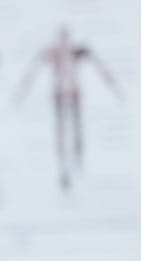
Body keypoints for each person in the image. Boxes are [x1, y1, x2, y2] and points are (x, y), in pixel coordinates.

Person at [14, 26, 122, 191]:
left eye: (66, 37)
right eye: (61, 37)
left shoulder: (76, 51)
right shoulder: (52, 52)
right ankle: (64, 169)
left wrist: (115, 88)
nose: (64, 41)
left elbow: (100, 67)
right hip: (59, 95)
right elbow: (33, 71)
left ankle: (78, 163)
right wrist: (21, 93)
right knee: (62, 131)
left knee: (76, 130)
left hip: (73, 94)